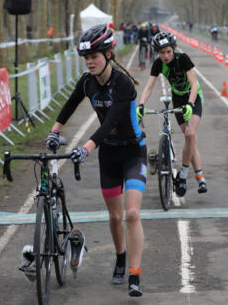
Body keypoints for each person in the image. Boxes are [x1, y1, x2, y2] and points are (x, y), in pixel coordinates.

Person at [45, 24, 146, 297]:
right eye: (86, 58)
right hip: (109, 155)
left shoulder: (122, 84)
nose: (90, 62)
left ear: (109, 55)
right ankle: (120, 256)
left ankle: (134, 276)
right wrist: (54, 132)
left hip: (134, 152)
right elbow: (68, 106)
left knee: (132, 213)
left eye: (95, 56)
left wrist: (85, 148)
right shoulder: (87, 82)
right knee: (115, 217)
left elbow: (110, 123)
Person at [137, 31, 207, 196]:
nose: (166, 55)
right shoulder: (158, 64)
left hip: (193, 97)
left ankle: (182, 175)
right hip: (177, 97)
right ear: (157, 53)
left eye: (168, 51)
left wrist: (190, 103)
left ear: (173, 49)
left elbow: (194, 84)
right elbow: (149, 86)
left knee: (190, 134)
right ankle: (200, 175)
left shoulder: (183, 59)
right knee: (189, 137)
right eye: (162, 53)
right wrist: (141, 105)